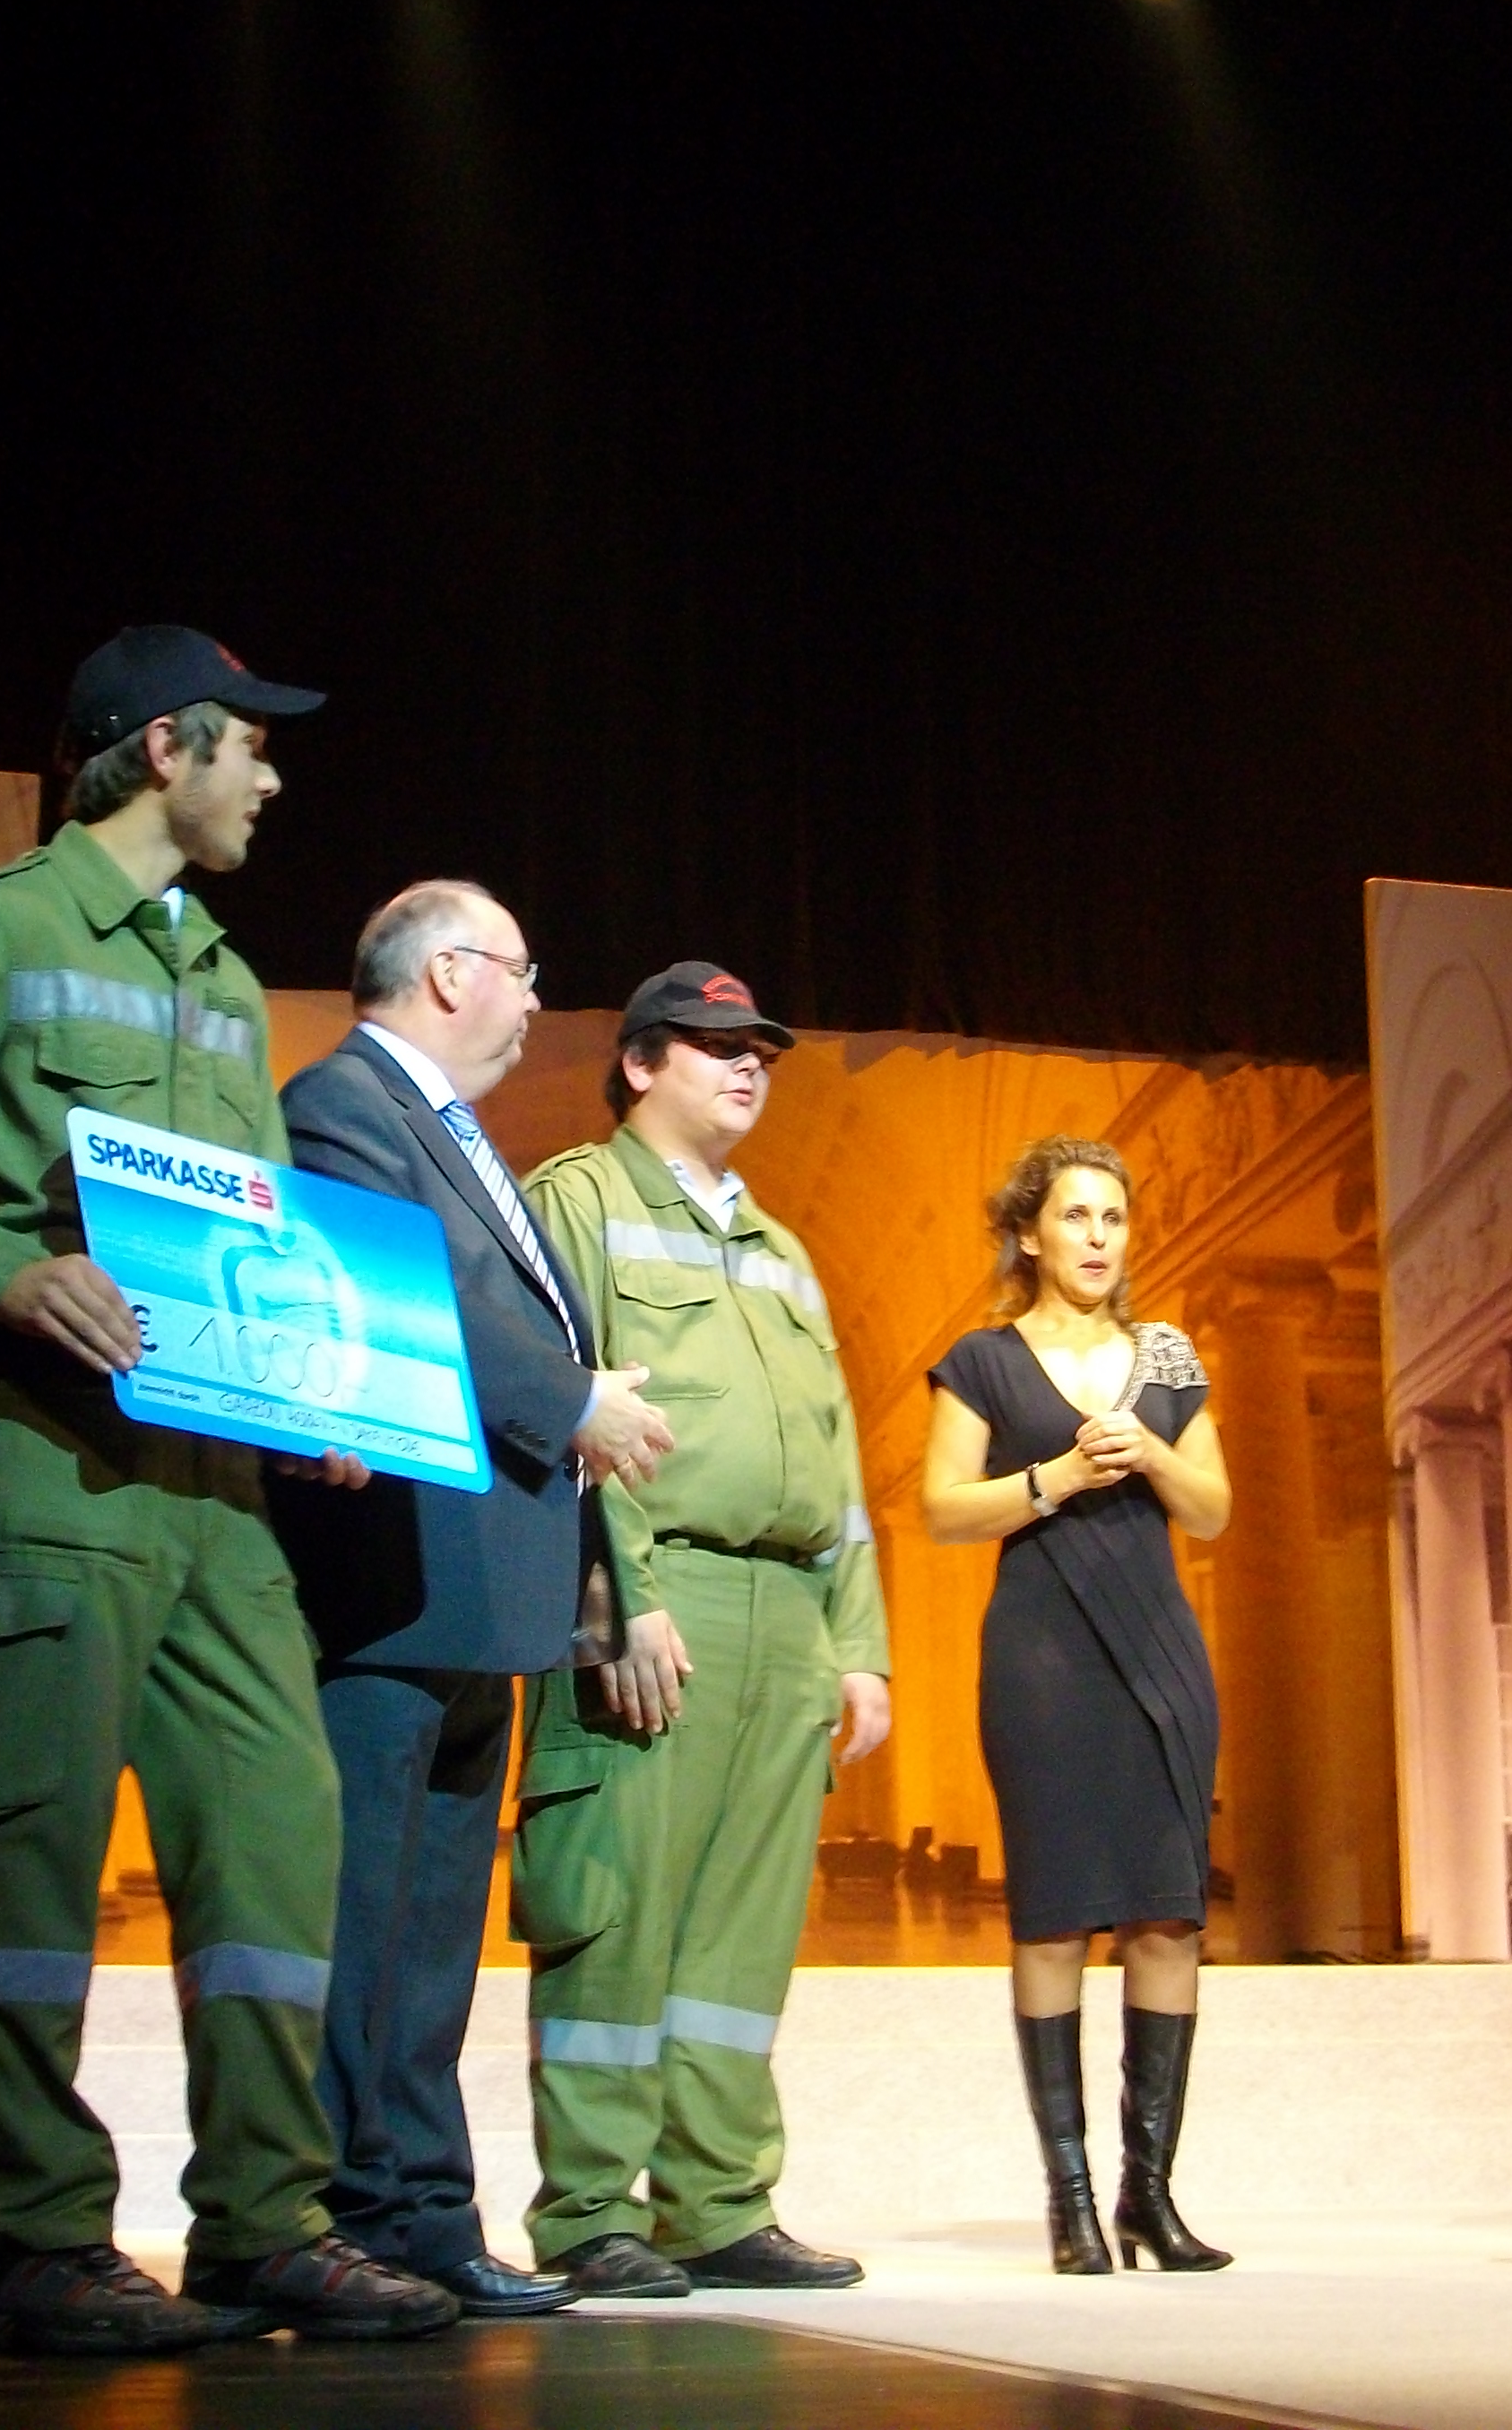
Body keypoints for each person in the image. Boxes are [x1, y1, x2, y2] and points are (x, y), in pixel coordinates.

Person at [0, 625, 457, 2353]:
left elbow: (252, 1233)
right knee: (31, 1849)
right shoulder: (1, 931)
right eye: (253, 745)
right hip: (51, 1464)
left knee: (274, 1829)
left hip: (217, 1490)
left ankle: (262, 2223)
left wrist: (308, 1383)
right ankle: (32, 2242)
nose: (273, 777)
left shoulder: (224, 985)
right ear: (165, 747)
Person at [263, 880, 674, 2319]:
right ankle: (338, 2215)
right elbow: (411, 1293)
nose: (537, 999)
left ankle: (426, 2215)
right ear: (448, 972)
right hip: (387, 1580)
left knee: (435, 1937)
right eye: (522, 969)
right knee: (367, 1924)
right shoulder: (342, 1105)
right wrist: (574, 1399)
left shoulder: (456, 1131)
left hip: (477, 1590)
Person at [509, 964, 893, 2296]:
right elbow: (563, 1414)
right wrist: (618, 1598)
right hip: (656, 1596)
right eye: (714, 1045)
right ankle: (591, 2212)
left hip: (784, 1619)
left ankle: (719, 2202)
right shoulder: (579, 1200)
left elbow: (838, 1460)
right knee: (615, 1907)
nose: (747, 1067)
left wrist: (857, 1643)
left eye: (760, 1052)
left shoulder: (783, 1250)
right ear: (637, 1063)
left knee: (742, 1929)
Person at [919, 1137, 1234, 2276]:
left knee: (1168, 1919)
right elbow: (942, 1510)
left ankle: (1151, 2196)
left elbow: (1212, 1511)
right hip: (1042, 1662)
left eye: (1114, 1217)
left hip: (1161, 1660)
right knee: (1054, 1920)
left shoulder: (1166, 1357)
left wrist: (1150, 1453)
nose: (1098, 1237)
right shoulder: (983, 1361)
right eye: (1076, 1216)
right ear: (1029, 1233)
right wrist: (1053, 1479)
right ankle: (1073, 2203)